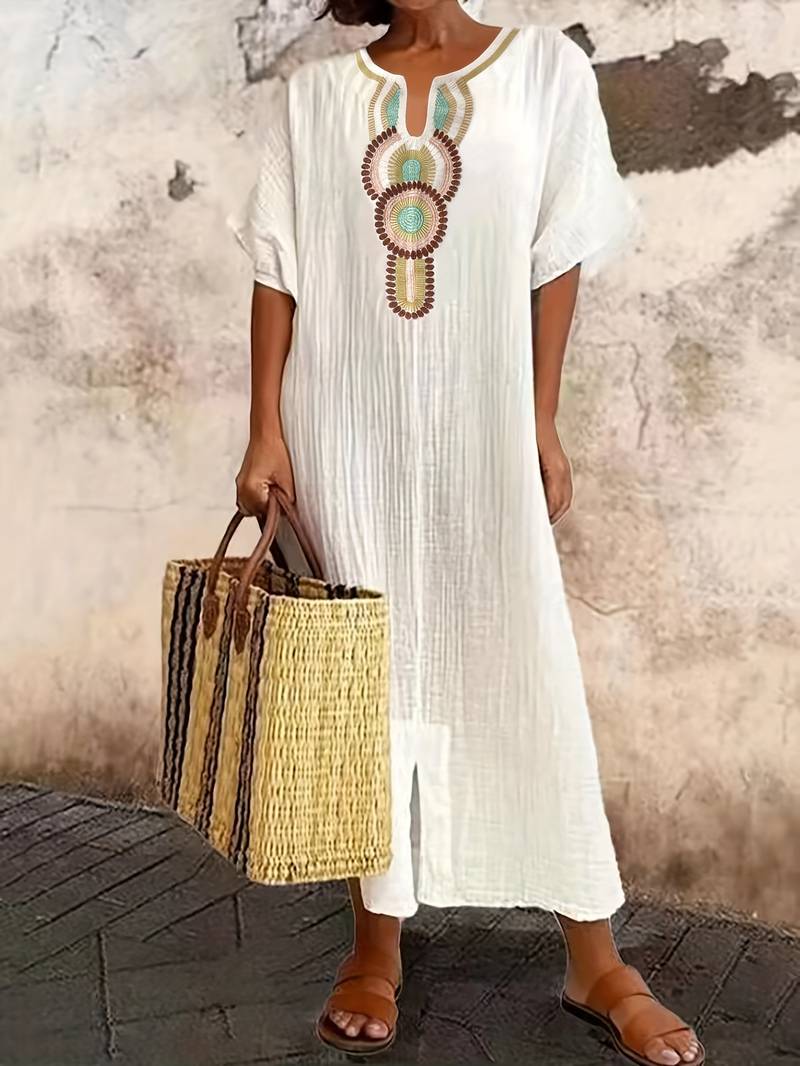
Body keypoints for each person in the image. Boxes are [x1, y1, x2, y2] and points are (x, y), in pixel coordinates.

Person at [231, 2, 705, 1064]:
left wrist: (539, 415)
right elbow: (275, 265)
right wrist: (265, 427)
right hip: (343, 427)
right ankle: (374, 947)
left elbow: (558, 245)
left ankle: (594, 957)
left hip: (482, 421)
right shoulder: (315, 97)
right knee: (365, 680)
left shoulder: (542, 70)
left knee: (524, 662)